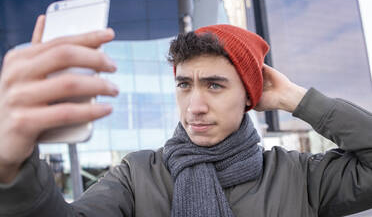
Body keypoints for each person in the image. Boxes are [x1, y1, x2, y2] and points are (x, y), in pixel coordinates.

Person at [0, 16, 372, 217]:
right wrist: (13, 170)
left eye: (214, 85)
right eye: (183, 85)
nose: (194, 106)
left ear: (248, 97)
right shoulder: (138, 175)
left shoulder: (299, 176)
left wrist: (296, 98)